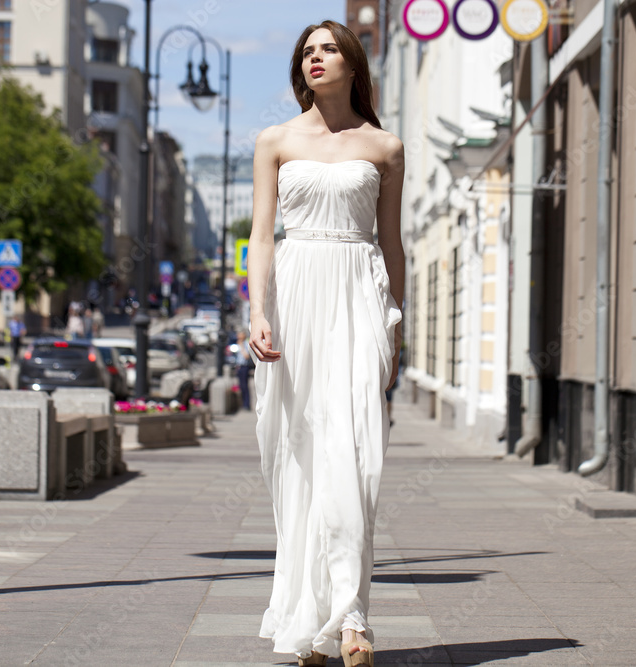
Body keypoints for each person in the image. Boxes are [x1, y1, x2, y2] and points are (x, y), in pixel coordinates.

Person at [247, 20, 404, 667]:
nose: (316, 58)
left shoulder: (385, 146)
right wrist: (258, 311)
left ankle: (354, 617)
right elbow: (261, 235)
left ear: (353, 63)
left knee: (356, 457)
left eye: (328, 49)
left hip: (360, 295)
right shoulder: (275, 140)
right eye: (307, 51)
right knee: (302, 460)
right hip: (297, 297)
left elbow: (392, 243)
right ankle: (313, 619)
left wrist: (402, 323)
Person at [235, 330, 253, 410]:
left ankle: (247, 404)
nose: (238, 337)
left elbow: (246, 356)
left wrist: (241, 346)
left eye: (240, 335)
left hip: (244, 366)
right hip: (239, 366)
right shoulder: (238, 344)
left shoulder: (246, 344)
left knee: (245, 385)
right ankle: (243, 403)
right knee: (241, 386)